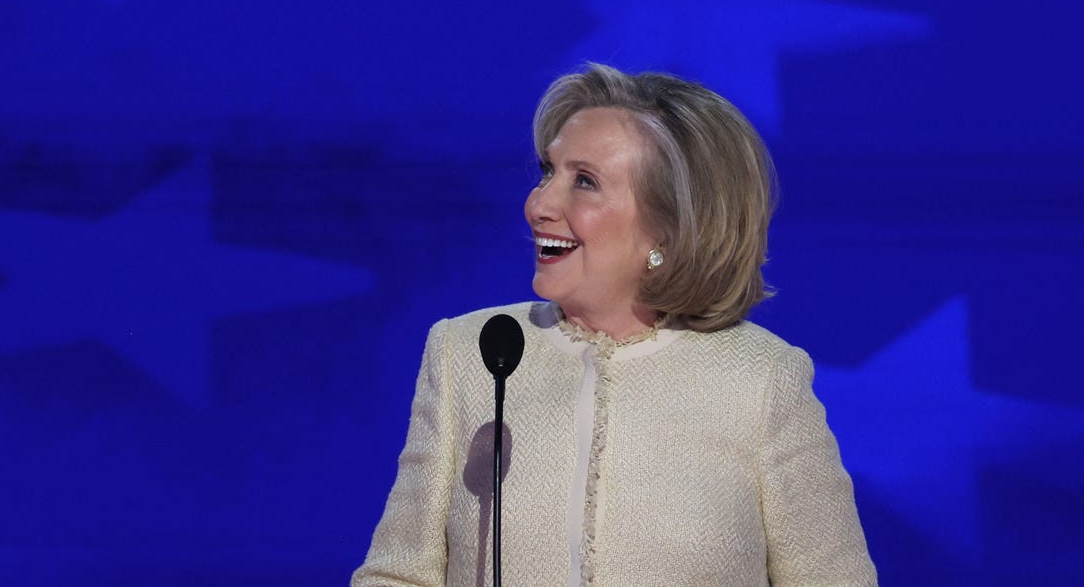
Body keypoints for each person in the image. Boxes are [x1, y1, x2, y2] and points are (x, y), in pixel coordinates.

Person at [352, 64, 876, 586]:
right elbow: (397, 576)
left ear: (666, 230)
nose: (539, 204)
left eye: (584, 181)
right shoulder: (469, 354)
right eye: (546, 171)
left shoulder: (762, 380)